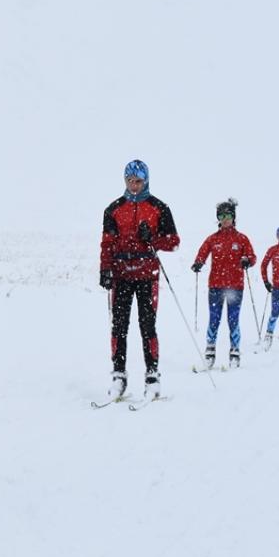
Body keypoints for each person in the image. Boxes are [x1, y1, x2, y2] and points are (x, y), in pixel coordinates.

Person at [99, 159, 180, 399]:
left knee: (147, 326)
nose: (133, 186)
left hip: (147, 275)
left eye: (138, 181)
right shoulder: (113, 209)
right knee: (119, 327)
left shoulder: (159, 207)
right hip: (122, 275)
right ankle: (119, 375)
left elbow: (174, 241)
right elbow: (107, 244)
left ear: (146, 181)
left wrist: (153, 239)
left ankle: (152, 376)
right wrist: (105, 269)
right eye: (129, 181)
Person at [191, 199, 257, 369]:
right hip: (216, 286)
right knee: (214, 319)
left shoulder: (241, 239)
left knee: (233, 319)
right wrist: (198, 262)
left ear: (233, 217)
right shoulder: (213, 239)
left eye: (227, 215)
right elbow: (203, 252)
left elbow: (252, 257)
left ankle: (234, 353)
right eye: (221, 215)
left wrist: (247, 261)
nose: (224, 218)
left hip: (235, 286)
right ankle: (209, 353)